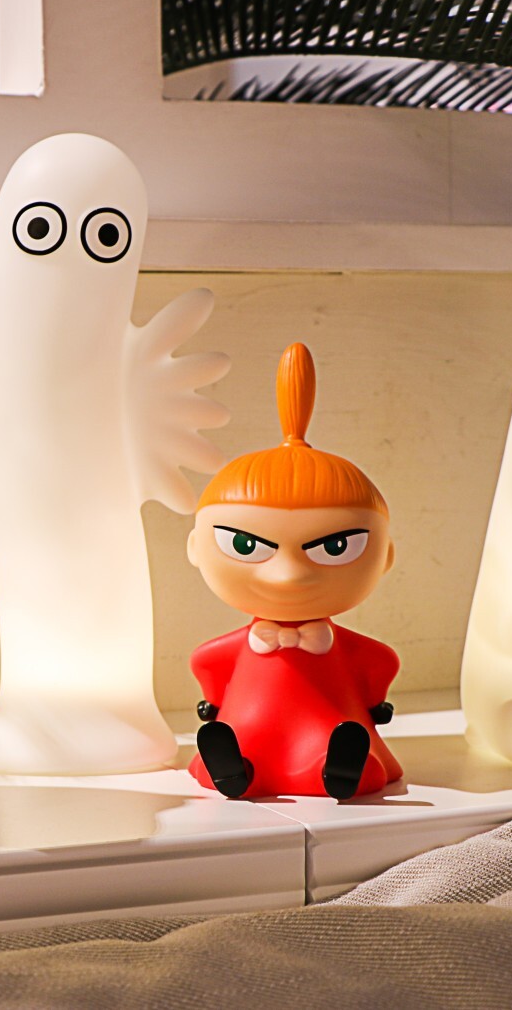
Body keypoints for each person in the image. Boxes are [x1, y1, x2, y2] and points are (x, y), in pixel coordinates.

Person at [186, 343, 402, 801]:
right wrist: (376, 700)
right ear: (195, 548)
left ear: (384, 557)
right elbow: (208, 660)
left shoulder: (337, 645)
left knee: (342, 750)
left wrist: (211, 698)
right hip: (247, 721)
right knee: (234, 745)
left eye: (335, 547)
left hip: (330, 718)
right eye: (246, 545)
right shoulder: (263, 642)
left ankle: (336, 767)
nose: (287, 576)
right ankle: (233, 766)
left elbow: (206, 662)